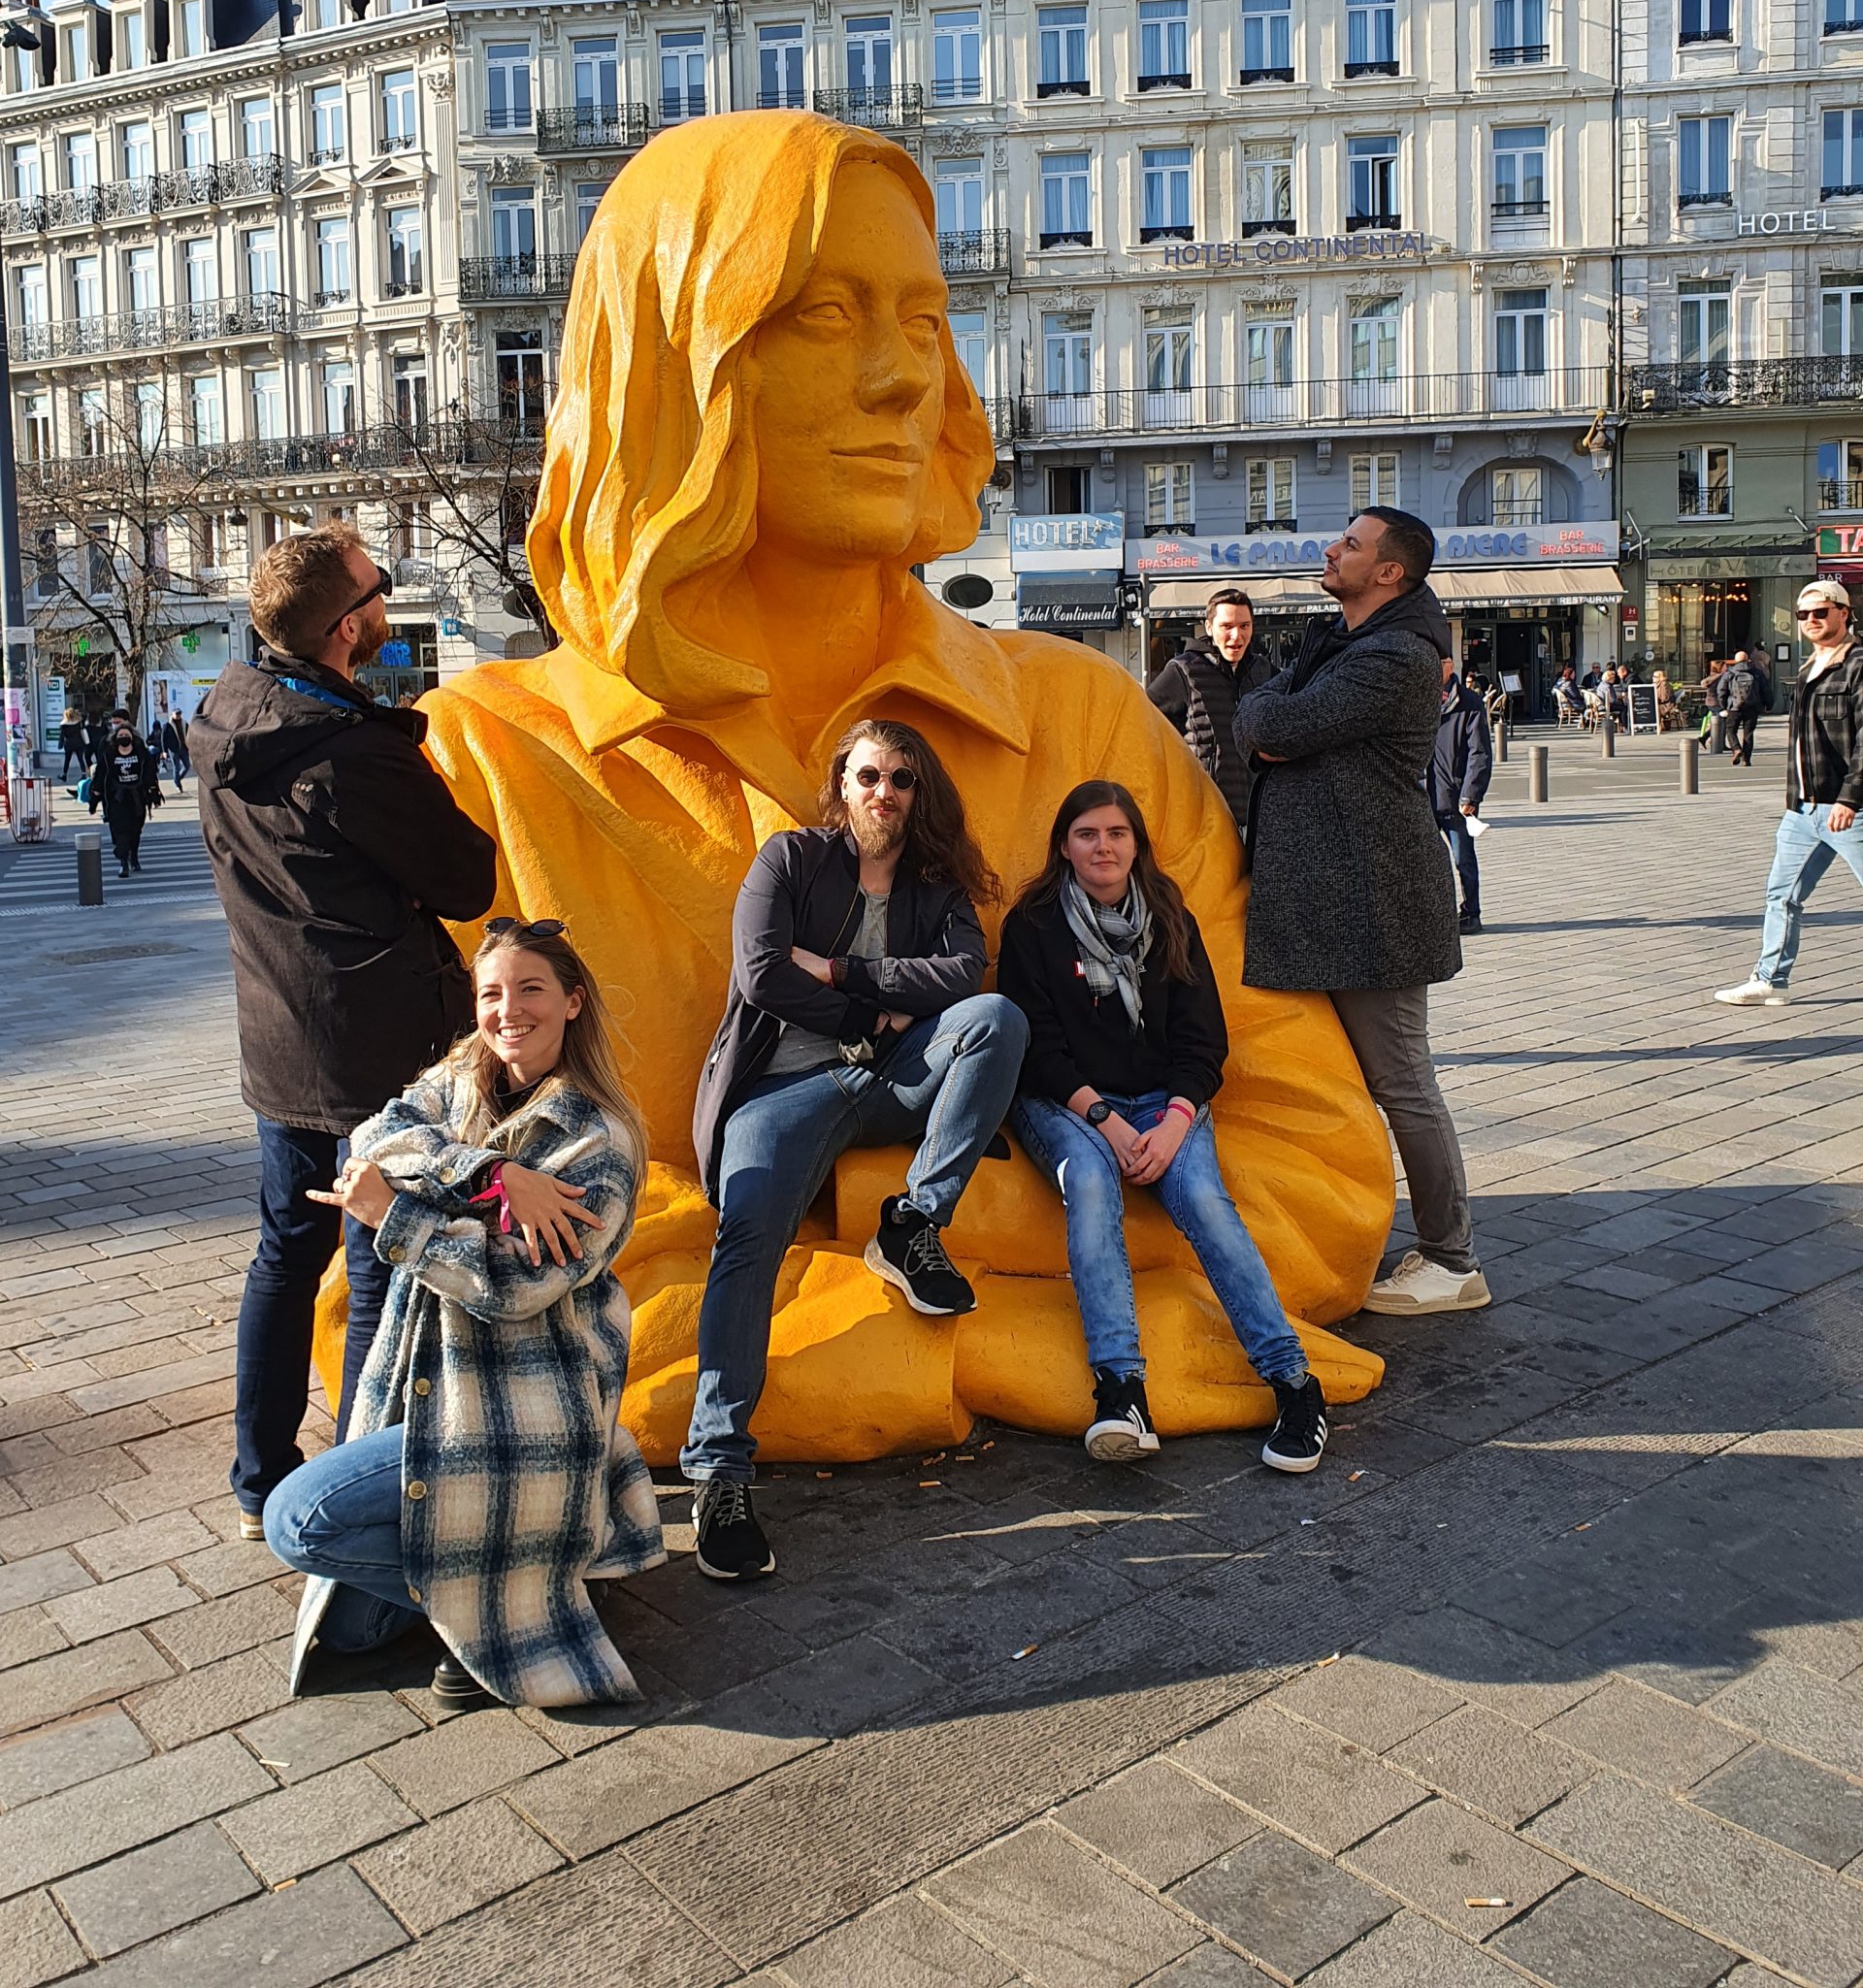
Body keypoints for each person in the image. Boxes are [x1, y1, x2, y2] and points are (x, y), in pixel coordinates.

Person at [406, 112, 1393, 1474]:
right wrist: (990, 1335)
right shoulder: (482, 766)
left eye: (923, 321)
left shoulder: (1080, 717)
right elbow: (438, 1245)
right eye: (818, 315)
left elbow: (1320, 1181)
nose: (895, 379)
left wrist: (870, 1226)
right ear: (660, 361)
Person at [265, 918, 664, 1708]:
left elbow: (515, 1285)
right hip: (429, 1385)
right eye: (491, 992)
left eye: (531, 989)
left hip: (522, 1413)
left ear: (574, 1002)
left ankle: (537, 1576)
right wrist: (492, 1176)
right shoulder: (461, 1080)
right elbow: (376, 1134)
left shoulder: (598, 1141)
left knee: (296, 1519)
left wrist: (397, 1218)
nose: (508, 1009)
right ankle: (514, 1578)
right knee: (344, 1633)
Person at [193, 523, 497, 1541]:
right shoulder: (357, 755)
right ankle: (357, 1495)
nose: (384, 600)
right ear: (343, 626)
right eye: (376, 588)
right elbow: (466, 877)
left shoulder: (227, 717)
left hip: (278, 1042)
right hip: (379, 1051)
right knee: (377, 1261)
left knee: (285, 1251)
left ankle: (258, 1478)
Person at [684, 716, 1028, 1579]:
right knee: (746, 1239)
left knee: (994, 1021)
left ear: (920, 795)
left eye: (902, 780)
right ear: (842, 783)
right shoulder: (790, 861)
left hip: (890, 1080)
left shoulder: (937, 887)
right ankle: (719, 1467)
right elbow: (761, 972)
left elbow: (962, 977)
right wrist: (869, 1016)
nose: (885, 793)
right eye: (869, 776)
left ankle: (912, 1222)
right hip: (782, 1090)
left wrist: (842, 974)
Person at [997, 780, 1326, 1474]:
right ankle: (1121, 1392)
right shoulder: (1032, 924)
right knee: (1089, 1183)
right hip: (1066, 1103)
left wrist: (1176, 1124)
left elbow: (1202, 1041)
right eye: (1087, 833)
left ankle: (1296, 1385)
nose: (1103, 846)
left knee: (1205, 1202)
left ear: (1136, 844)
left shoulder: (1169, 914)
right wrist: (1109, 1125)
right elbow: (1037, 1049)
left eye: (1116, 833)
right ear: (1064, 844)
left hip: (1164, 1105)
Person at [1235, 508, 1489, 1318]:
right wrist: (1271, 723)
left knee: (1402, 1083)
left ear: (1390, 573)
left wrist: (1273, 723)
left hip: (1373, 902)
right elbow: (1264, 718)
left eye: (1351, 544)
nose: (1331, 549)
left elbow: (1272, 720)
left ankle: (1453, 1259)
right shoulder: (1340, 643)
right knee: (1342, 1081)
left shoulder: (1394, 657)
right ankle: (1348, 1226)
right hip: (1327, 897)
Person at [1715, 580, 1863, 1009]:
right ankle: (1770, 980)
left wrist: (1851, 798)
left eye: (1821, 612)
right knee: (1781, 895)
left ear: (1843, 612)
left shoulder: (1857, 665)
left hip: (1847, 806)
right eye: (1804, 615)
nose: (1812, 621)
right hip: (1803, 809)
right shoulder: (1808, 667)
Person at [1145, 588, 1274, 837]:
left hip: (1261, 818)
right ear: (1209, 627)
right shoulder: (1184, 670)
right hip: (1205, 821)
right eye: (1227, 626)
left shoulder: (1264, 671)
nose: (1236, 636)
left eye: (1244, 625)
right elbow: (1143, 727)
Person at [1431, 659, 1492, 935]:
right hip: (1421, 796)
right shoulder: (1417, 697)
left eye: (1440, 661)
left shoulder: (1469, 703)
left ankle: (1471, 912)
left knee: (1463, 858)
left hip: (1455, 798)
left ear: (1450, 665)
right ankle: (1433, 917)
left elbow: (1479, 753)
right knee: (1425, 864)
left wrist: (1471, 794)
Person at [93, 717, 156, 876]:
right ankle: (123, 862)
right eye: (120, 736)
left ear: (132, 737)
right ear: (116, 738)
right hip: (117, 798)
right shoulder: (109, 754)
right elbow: (101, 774)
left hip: (136, 797)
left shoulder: (141, 752)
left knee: (135, 830)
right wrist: (95, 794)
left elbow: (149, 773)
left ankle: (133, 856)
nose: (123, 738)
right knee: (119, 829)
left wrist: (153, 790)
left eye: (126, 735)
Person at [1722, 648, 1768, 767]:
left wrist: (1724, 705)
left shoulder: (1730, 673)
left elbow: (1721, 690)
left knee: (1731, 729)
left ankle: (1736, 748)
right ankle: (1746, 760)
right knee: (1748, 733)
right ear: (1748, 659)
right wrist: (1768, 704)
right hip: (1752, 707)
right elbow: (1766, 690)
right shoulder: (1756, 673)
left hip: (1734, 706)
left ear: (1735, 661)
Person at [57, 705, 90, 784]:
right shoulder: (78, 722)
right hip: (79, 742)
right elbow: (85, 716)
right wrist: (77, 713)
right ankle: (83, 775)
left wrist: (60, 744)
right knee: (81, 759)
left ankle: (64, 775)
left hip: (69, 744)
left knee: (67, 760)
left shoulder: (63, 725)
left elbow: (62, 736)